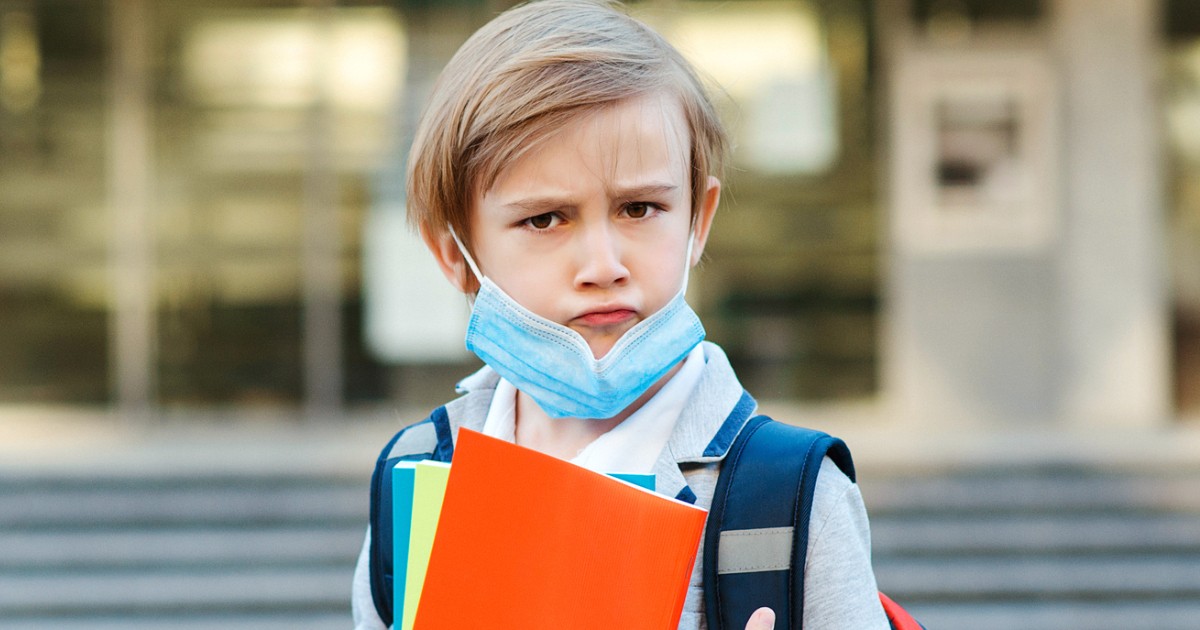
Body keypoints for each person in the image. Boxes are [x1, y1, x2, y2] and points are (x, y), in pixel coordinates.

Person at [351, 1, 889, 628]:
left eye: (638, 209)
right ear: (455, 255)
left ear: (699, 219)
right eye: (544, 219)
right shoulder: (416, 475)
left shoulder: (787, 498)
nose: (603, 265)